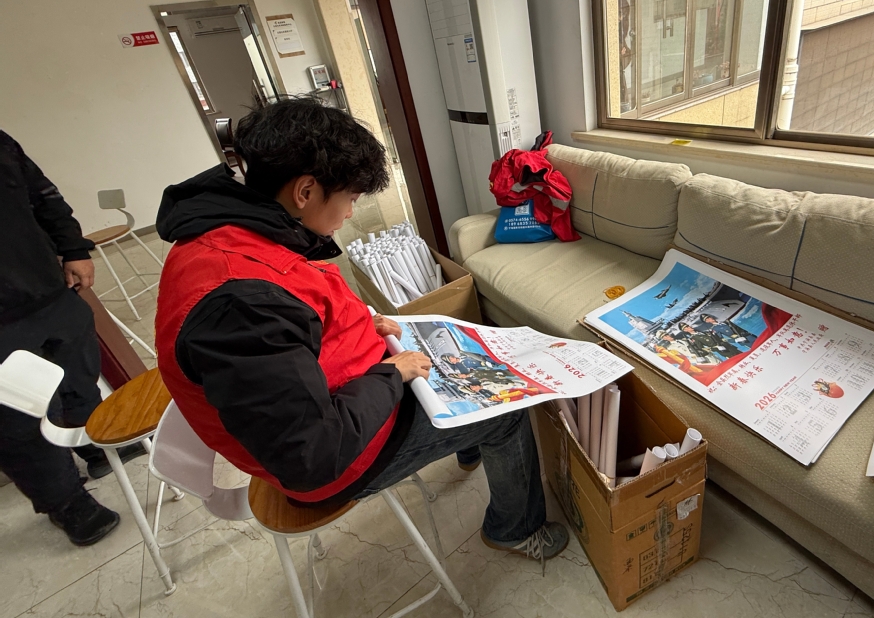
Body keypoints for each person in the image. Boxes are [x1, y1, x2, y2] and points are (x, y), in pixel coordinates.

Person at [154, 97, 568, 567]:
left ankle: (466, 445)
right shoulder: (241, 308)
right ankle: (515, 529)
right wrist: (391, 374)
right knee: (506, 412)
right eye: (350, 198)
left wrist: (355, 327)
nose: (350, 213)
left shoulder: (230, 233)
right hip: (342, 457)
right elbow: (312, 455)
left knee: (453, 361)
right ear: (305, 191)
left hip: (343, 398)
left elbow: (289, 329)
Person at [0, 131, 143, 546]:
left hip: (46, 286)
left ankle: (94, 443)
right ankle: (66, 501)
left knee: (78, 376)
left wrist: (74, 248)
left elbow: (44, 196)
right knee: (18, 418)